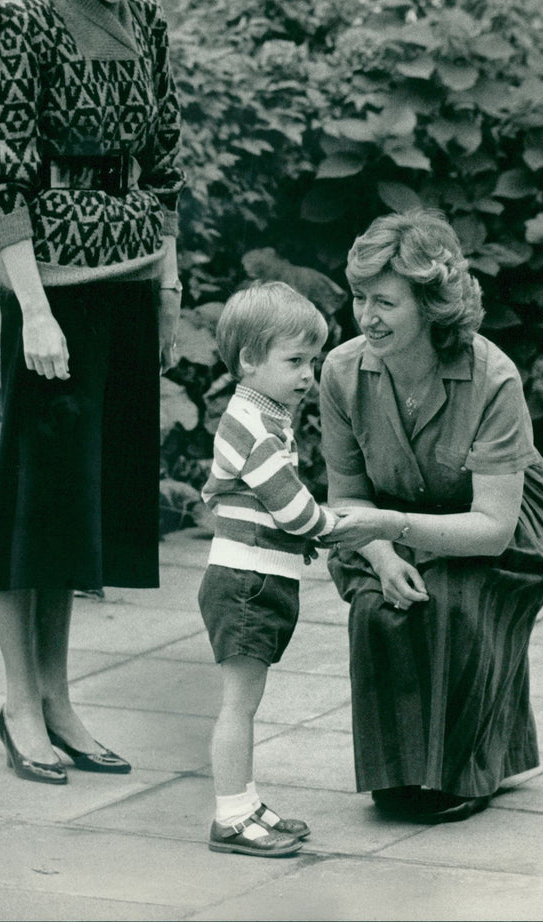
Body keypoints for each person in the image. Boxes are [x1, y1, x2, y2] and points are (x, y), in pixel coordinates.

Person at [0, 0, 186, 784]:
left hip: (132, 276)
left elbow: (165, 161)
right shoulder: (15, 24)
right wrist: (37, 312)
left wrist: (171, 286)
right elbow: (2, 179)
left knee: (81, 501)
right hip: (50, 287)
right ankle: (19, 702)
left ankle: (61, 699)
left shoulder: (149, 23)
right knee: (33, 494)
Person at [320, 210, 543, 823]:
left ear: (431, 305)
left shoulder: (493, 378)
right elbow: (348, 495)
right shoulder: (341, 372)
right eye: (360, 298)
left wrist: (394, 529)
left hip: (508, 524)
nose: (367, 317)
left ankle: (463, 771)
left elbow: (493, 527)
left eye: (385, 302)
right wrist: (381, 554)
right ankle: (401, 770)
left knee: (455, 601)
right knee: (379, 609)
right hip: (389, 522)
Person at [198, 282, 338, 856]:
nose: (308, 374)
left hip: (254, 579)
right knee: (239, 704)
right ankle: (231, 816)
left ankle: (247, 804)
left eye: (314, 361)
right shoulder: (255, 426)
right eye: (295, 361)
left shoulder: (262, 415)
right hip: (246, 584)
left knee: (245, 701)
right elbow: (290, 505)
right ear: (249, 361)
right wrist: (334, 526)